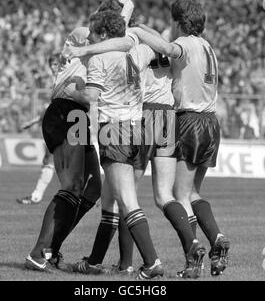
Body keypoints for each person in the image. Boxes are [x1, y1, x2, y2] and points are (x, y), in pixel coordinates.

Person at [67, 21, 206, 278]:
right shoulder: (160, 48)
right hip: (168, 118)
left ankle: (126, 263)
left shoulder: (132, 48)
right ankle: (192, 244)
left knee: (121, 197)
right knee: (165, 195)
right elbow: (177, 80)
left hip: (141, 118)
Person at [128, 0, 230, 276]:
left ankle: (193, 254)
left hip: (189, 121)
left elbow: (166, 47)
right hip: (211, 123)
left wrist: (135, 31)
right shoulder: (207, 46)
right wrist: (140, 25)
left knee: (178, 195)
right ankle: (217, 240)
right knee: (192, 192)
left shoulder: (184, 44)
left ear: (178, 23)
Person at [71, 10, 164, 280]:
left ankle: (152, 262)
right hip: (137, 128)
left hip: (114, 130)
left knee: (126, 200)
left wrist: (71, 89)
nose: (90, 36)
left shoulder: (99, 58)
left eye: (93, 32)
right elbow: (162, 47)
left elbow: (91, 95)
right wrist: (141, 29)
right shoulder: (140, 51)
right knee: (111, 202)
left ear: (102, 35)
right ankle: (94, 262)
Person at [24, 27, 102, 272]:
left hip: (79, 116)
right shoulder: (84, 34)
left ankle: (52, 250)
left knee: (92, 188)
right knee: (72, 185)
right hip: (66, 111)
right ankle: (38, 254)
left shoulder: (104, 48)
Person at [17, 54, 60, 205]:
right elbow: (50, 108)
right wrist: (33, 121)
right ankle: (36, 195)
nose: (54, 67)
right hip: (59, 125)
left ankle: (95, 195)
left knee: (74, 163)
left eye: (56, 64)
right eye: (52, 65)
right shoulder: (55, 83)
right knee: (49, 160)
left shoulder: (68, 79)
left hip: (70, 125)